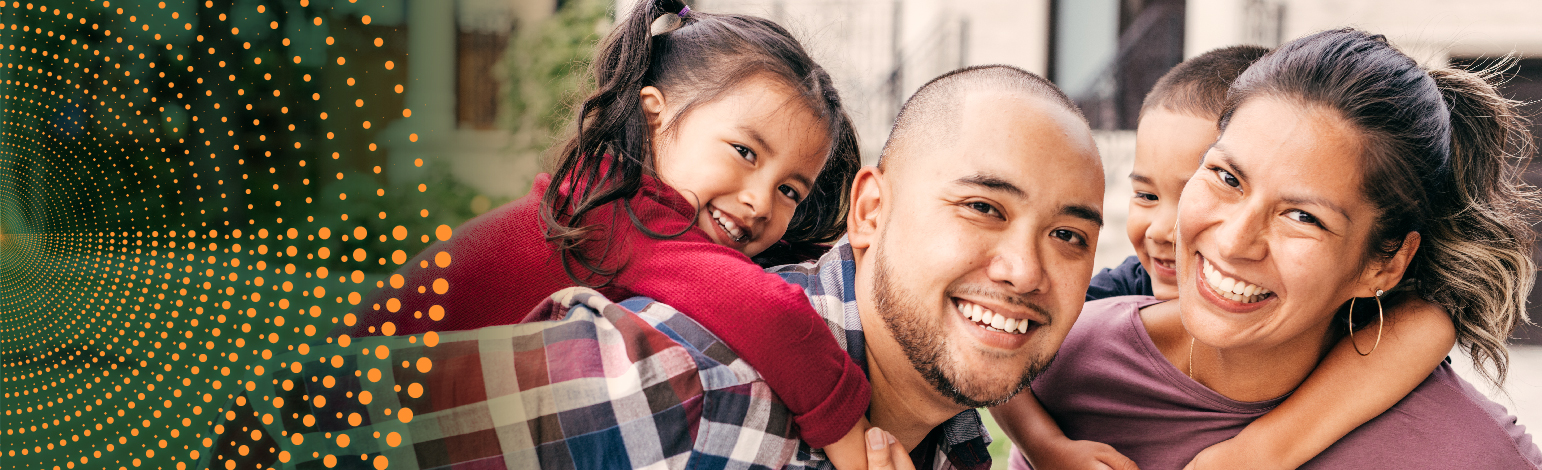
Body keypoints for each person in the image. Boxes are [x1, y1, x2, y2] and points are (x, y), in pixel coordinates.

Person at [199, 64, 1107, 470]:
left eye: (1071, 235)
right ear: (870, 211)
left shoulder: (955, 442)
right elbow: (299, 425)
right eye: (982, 207)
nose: (1026, 269)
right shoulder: (684, 377)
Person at [338, 0, 877, 463]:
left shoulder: (609, 200)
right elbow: (773, 313)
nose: (760, 200)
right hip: (345, 423)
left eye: (790, 190)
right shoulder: (626, 216)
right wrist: (856, 437)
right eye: (744, 152)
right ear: (652, 117)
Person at [988, 29, 1542, 469]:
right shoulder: (1075, 355)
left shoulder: (1468, 451)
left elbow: (1429, 322)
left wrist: (1262, 451)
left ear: (1385, 263)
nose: (1234, 241)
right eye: (1227, 178)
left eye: (1303, 216)